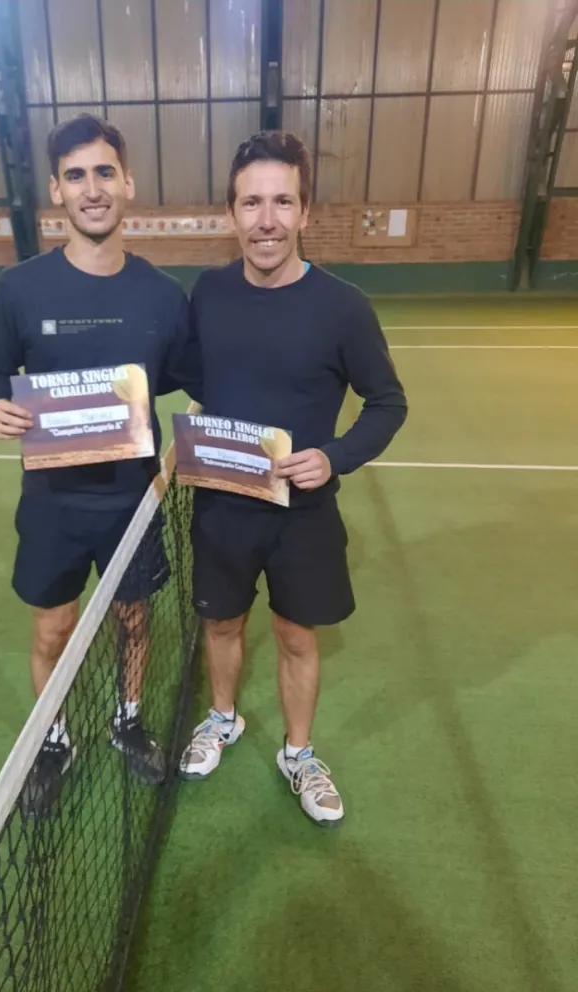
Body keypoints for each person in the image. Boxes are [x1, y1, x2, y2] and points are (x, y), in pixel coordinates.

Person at [0, 113, 197, 812]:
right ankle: (55, 739)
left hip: (132, 501)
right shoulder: (19, 289)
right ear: (56, 193)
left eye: (104, 172)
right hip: (52, 503)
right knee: (52, 628)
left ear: (128, 183)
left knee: (133, 620)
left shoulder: (162, 295)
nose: (92, 188)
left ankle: (127, 724)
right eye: (76, 176)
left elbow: (185, 380)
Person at [179, 131, 408, 827]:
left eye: (282, 201)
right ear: (231, 213)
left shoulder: (343, 306)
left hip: (303, 512)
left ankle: (299, 753)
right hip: (222, 502)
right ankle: (223, 718)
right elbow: (191, 377)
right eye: (252, 202)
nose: (267, 219)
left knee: (296, 636)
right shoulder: (208, 294)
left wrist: (333, 457)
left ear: (305, 212)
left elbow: (387, 403)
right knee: (220, 623)